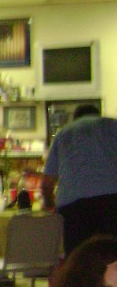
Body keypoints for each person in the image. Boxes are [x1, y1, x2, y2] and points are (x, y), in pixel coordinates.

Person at [41, 104, 117, 255]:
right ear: (98, 114)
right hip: (111, 200)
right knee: (111, 255)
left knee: (77, 257)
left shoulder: (63, 134)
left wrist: (49, 203)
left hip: (73, 205)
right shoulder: (112, 125)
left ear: (75, 119)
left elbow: (47, 183)